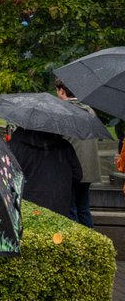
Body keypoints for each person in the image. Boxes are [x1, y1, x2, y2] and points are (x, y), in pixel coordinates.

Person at [7, 127, 81, 217]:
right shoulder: (65, 147)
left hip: (25, 207)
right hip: (58, 208)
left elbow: (5, 176)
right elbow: (78, 175)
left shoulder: (14, 146)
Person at [56, 79, 100, 228]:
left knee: (71, 209)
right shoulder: (89, 110)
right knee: (84, 208)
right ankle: (91, 243)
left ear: (62, 90)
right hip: (89, 169)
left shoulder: (63, 110)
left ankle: (76, 245)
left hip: (70, 169)